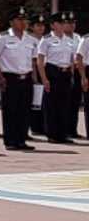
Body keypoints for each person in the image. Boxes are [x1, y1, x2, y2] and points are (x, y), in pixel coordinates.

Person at [0, 7, 38, 151]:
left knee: (24, 110)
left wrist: (34, 78)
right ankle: (10, 141)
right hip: (10, 78)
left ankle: (21, 139)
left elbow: (33, 60)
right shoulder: (3, 38)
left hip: (26, 78)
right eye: (19, 19)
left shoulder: (31, 39)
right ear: (11, 22)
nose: (23, 22)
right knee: (10, 110)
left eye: (24, 19)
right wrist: (0, 77)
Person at [37, 12, 76, 144]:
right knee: (51, 105)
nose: (63, 25)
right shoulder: (46, 39)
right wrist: (44, 79)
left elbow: (71, 60)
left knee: (64, 105)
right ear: (53, 25)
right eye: (60, 23)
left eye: (64, 23)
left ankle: (62, 134)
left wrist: (71, 75)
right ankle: (52, 134)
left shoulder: (69, 40)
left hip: (65, 74)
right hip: (52, 72)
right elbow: (40, 60)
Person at [28, 13, 48, 136]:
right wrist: (34, 76)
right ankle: (35, 127)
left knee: (44, 101)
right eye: (38, 25)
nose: (41, 28)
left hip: (46, 71)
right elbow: (33, 60)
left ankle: (44, 126)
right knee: (35, 102)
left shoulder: (46, 39)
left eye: (42, 25)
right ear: (32, 27)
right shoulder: (30, 40)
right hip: (34, 72)